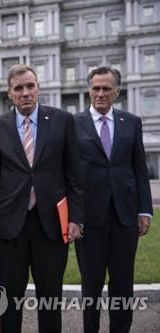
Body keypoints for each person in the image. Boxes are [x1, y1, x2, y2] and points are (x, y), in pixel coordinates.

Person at [0, 64, 84, 333]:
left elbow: (73, 174)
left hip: (51, 224)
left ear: (38, 87)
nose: (25, 92)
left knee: (50, 297)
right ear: (9, 93)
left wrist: (76, 218)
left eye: (30, 86)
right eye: (19, 88)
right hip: (10, 226)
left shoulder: (63, 120)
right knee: (11, 298)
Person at [74, 66, 153, 333]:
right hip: (89, 218)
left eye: (107, 88)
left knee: (123, 284)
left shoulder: (131, 122)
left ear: (117, 91)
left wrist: (145, 210)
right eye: (96, 88)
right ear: (89, 90)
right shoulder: (73, 124)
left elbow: (139, 169)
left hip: (125, 216)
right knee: (91, 286)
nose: (100, 93)